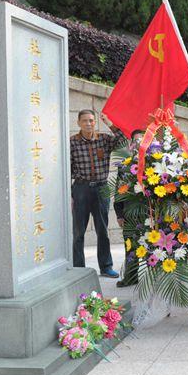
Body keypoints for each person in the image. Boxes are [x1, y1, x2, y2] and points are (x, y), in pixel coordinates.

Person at [70, 109, 126, 277]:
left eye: (92, 121)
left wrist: (110, 123)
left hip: (102, 187)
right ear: (78, 123)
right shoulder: (72, 143)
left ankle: (106, 266)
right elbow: (66, 168)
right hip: (81, 188)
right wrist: (70, 193)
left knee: (103, 229)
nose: (89, 123)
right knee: (78, 231)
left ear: (95, 122)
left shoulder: (104, 140)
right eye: (85, 120)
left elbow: (123, 141)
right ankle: (78, 269)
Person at [114, 129, 144, 287]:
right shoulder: (124, 165)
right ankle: (131, 277)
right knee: (130, 245)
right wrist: (119, 214)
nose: (139, 144)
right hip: (129, 211)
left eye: (142, 140)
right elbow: (117, 191)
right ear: (131, 144)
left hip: (148, 211)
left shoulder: (155, 162)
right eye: (136, 141)